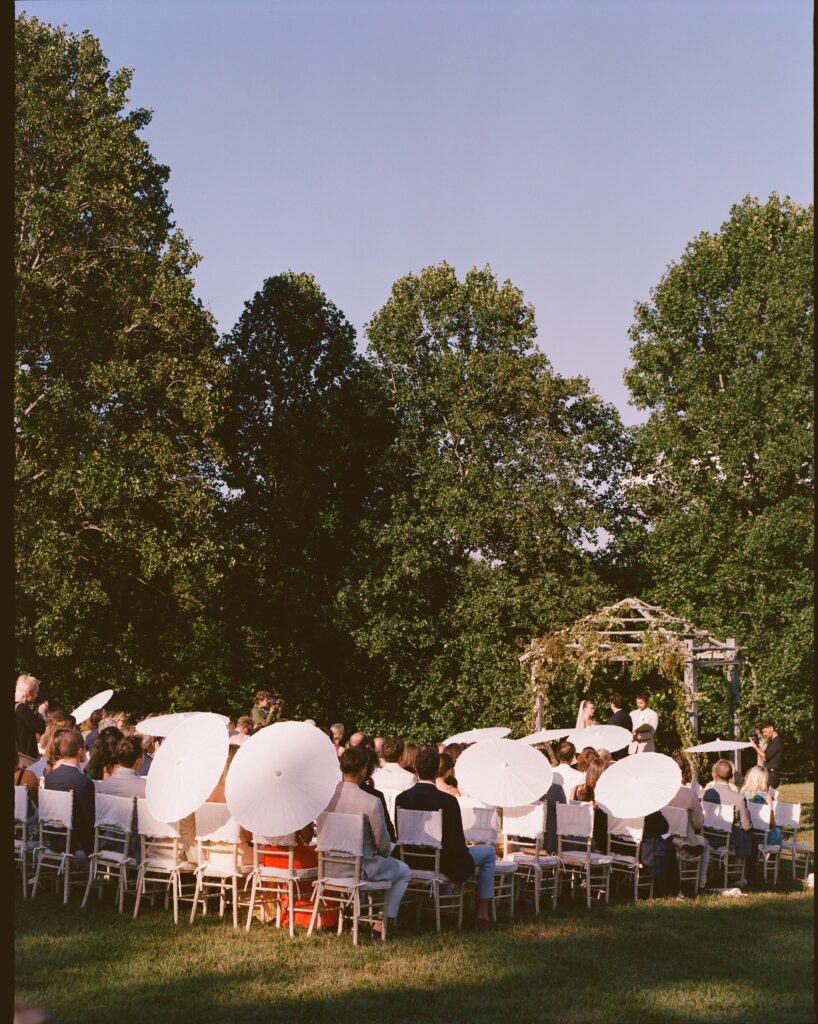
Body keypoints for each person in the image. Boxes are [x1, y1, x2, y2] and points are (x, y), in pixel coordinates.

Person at [395, 746, 498, 929]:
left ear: (416, 770)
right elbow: (456, 843)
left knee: (455, 853)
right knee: (489, 852)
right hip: (442, 862)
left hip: (411, 860)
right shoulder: (448, 801)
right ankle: (482, 913)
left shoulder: (401, 799)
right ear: (437, 771)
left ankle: (445, 904)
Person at [322, 746, 411, 938]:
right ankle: (382, 921)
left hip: (328, 866)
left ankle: (353, 911)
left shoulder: (325, 797)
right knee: (404, 871)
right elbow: (383, 845)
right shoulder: (370, 802)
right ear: (363, 771)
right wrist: (384, 852)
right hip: (360, 869)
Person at [43, 730, 96, 854]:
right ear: (80, 751)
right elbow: (89, 819)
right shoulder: (84, 782)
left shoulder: (50, 777)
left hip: (52, 835)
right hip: (75, 840)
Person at [702, 759, 755, 876]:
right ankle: (742, 874)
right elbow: (747, 825)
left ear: (714, 774)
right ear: (731, 776)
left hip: (707, 836)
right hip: (728, 840)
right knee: (749, 835)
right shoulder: (738, 798)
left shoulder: (705, 794)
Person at [667, 752, 709, 893]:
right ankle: (701, 883)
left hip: (665, 840)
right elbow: (698, 824)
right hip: (683, 842)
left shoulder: (662, 793)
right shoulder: (690, 794)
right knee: (705, 843)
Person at [569, 757, 609, 852]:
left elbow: (571, 813)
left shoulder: (576, 790)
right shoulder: (605, 797)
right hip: (597, 845)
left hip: (575, 839)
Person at [740, 765, 782, 848]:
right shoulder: (766, 797)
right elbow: (772, 824)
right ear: (764, 780)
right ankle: (774, 859)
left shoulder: (742, 794)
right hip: (763, 837)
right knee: (778, 832)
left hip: (746, 834)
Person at [15, 675, 48, 764]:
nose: (37, 695)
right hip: (25, 759)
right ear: (29, 692)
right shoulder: (22, 708)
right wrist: (41, 712)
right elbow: (40, 728)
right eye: (36, 692)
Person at [749, 720, 784, 790]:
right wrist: (757, 746)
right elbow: (764, 758)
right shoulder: (772, 741)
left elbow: (765, 757)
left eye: (765, 731)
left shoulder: (777, 742)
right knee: (765, 796)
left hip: (772, 775)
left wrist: (755, 747)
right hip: (769, 774)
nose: (764, 734)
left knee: (766, 796)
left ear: (771, 728)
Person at [605, 693, 632, 761]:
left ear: (612, 704)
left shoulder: (612, 719)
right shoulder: (628, 716)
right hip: (626, 750)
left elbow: (609, 737)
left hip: (615, 753)